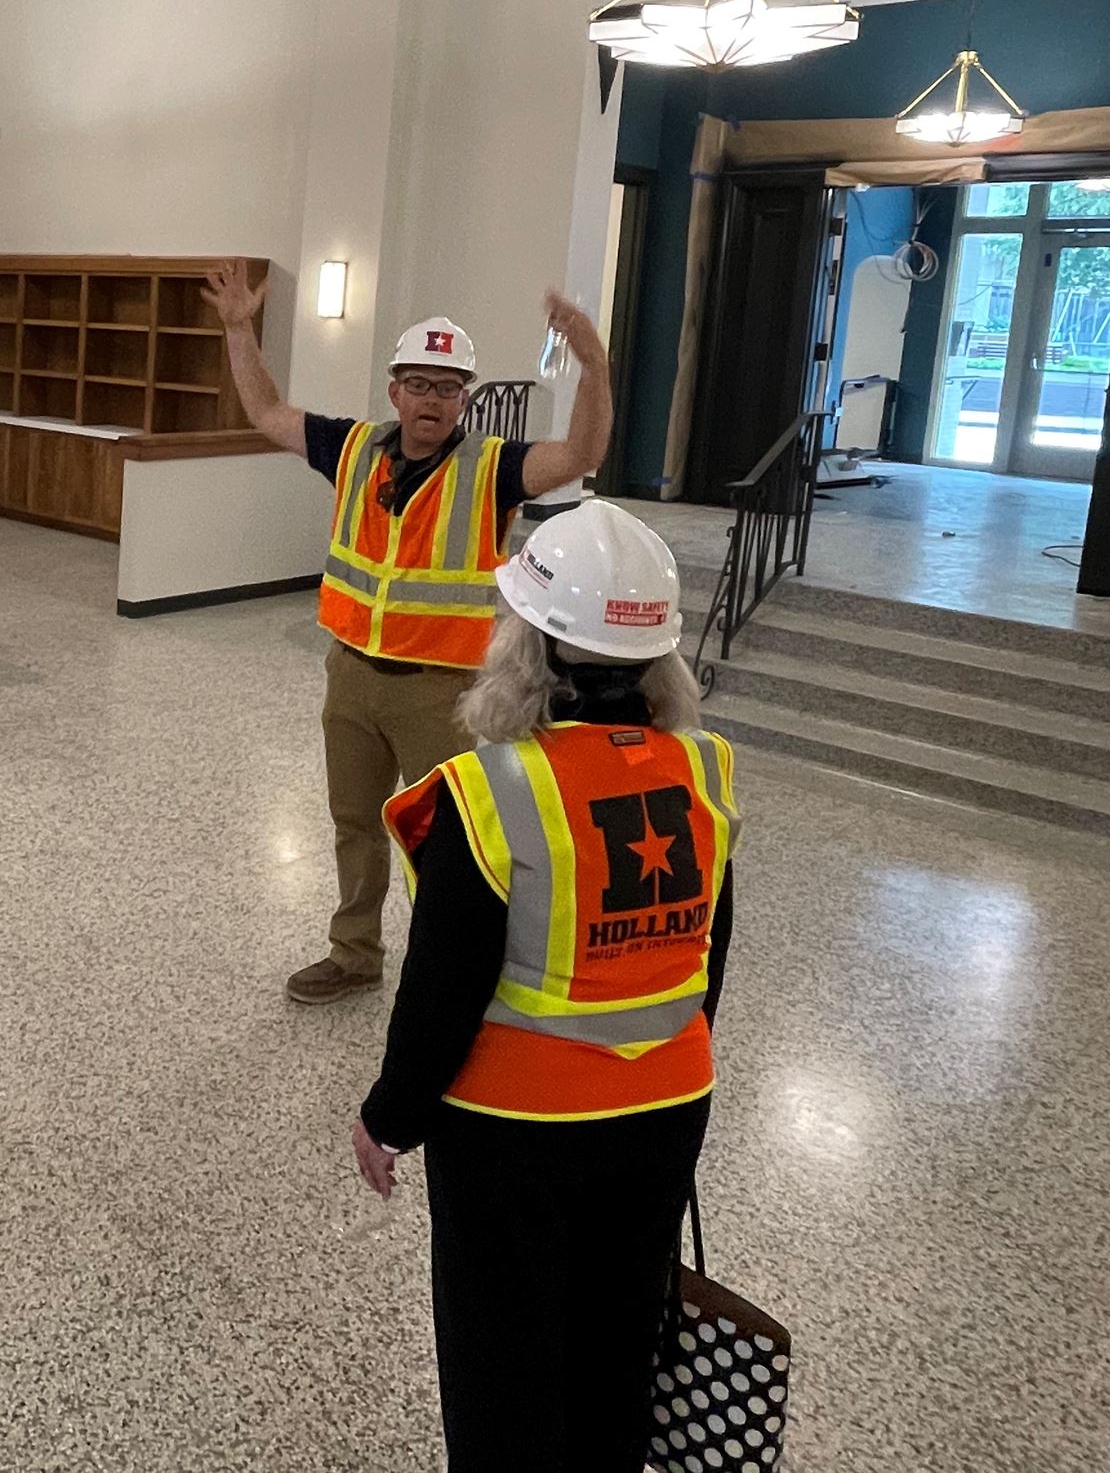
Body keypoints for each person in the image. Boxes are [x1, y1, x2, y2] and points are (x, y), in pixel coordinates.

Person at [351, 501, 736, 1471]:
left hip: (511, 1134)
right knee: (614, 1352)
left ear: (524, 644)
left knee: (501, 1369)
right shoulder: (703, 772)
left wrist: (387, 1118)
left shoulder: (486, 792)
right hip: (665, 1109)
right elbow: (703, 956)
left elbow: (439, 991)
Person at [201, 261, 612, 1004]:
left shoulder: (494, 469)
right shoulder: (353, 448)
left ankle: (449, 967)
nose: (432, 399)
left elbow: (582, 454)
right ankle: (354, 952)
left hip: (440, 692)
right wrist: (239, 330)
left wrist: (594, 366)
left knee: (445, 842)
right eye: (418, 383)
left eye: (448, 387)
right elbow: (266, 412)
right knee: (354, 824)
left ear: (465, 398)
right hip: (351, 676)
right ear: (394, 389)